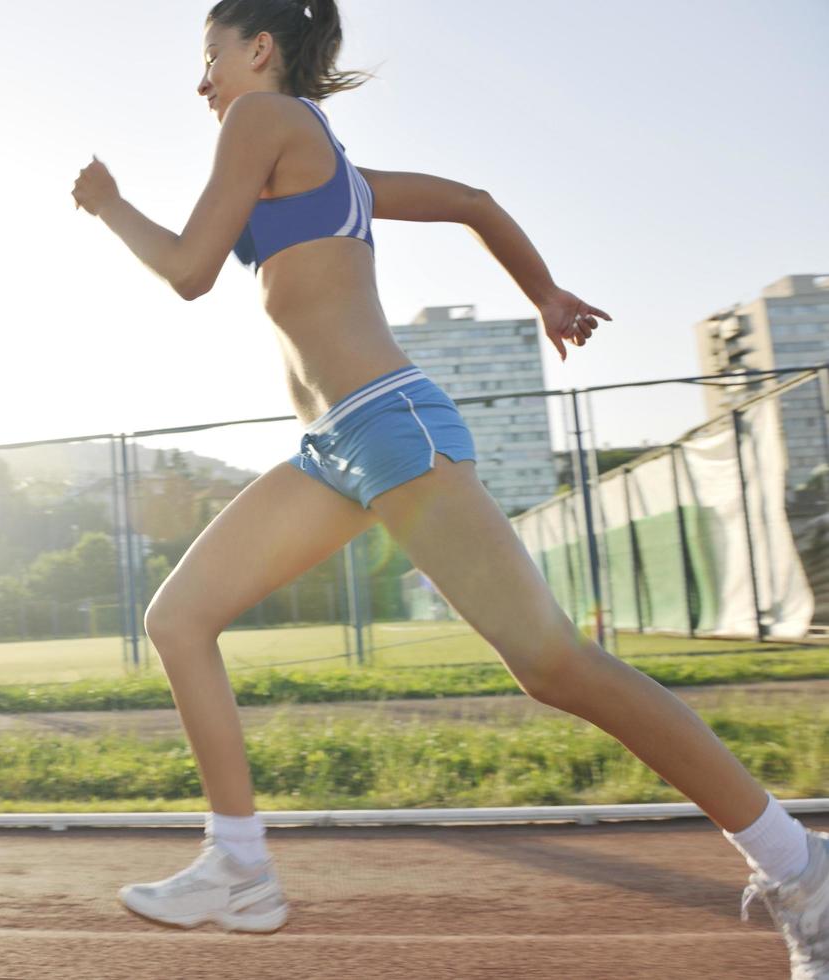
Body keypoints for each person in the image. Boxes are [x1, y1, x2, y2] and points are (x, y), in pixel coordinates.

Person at [70, 0, 829, 969]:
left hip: (392, 424)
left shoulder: (260, 119)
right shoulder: (331, 162)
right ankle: (239, 863)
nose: (201, 78)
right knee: (179, 618)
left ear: (258, 49)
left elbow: (188, 269)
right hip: (332, 448)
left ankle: (802, 866)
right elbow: (473, 198)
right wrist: (543, 291)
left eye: (209, 53)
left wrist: (107, 204)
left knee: (552, 662)